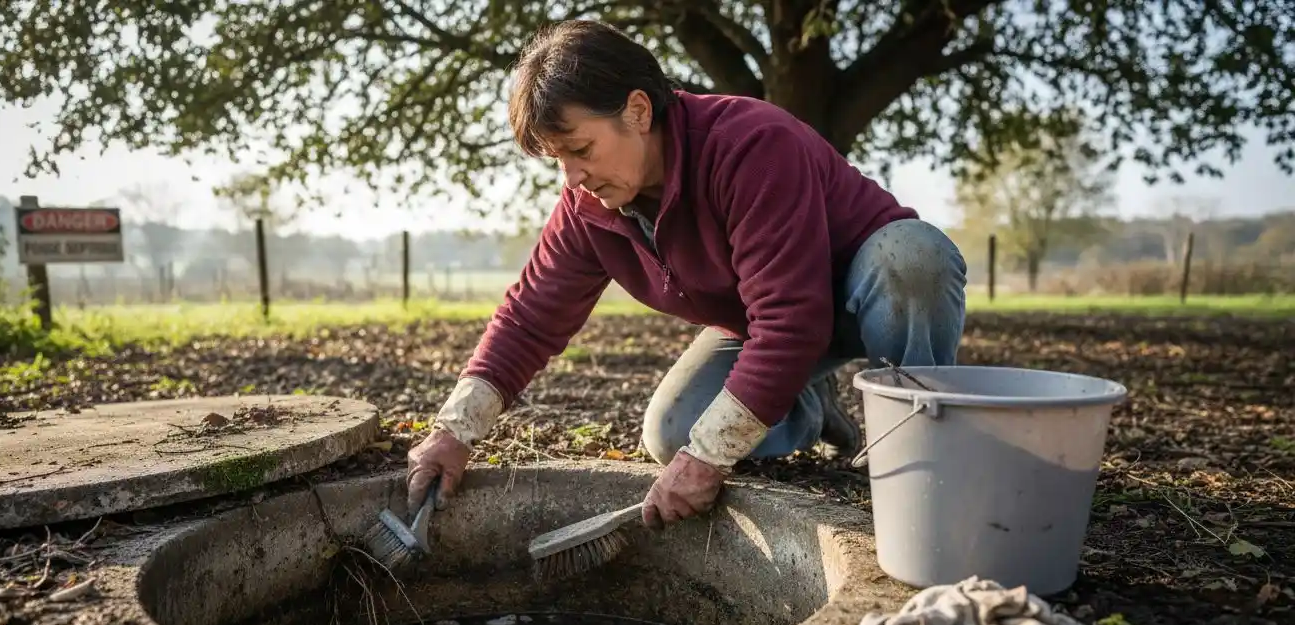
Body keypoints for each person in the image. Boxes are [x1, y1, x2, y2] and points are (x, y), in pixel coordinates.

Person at [405, 19, 967, 530]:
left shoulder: (748, 145)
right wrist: (454, 431)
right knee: (674, 435)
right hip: (766, 321)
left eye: (580, 149)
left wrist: (711, 457)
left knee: (911, 258)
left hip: (862, 290)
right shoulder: (589, 207)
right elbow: (529, 318)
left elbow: (793, 317)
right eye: (558, 159)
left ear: (638, 111)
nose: (572, 177)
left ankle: (919, 456)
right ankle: (807, 402)